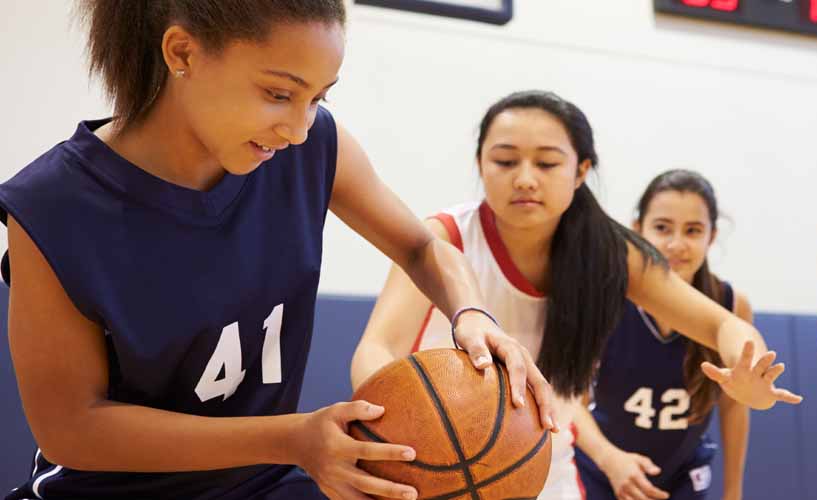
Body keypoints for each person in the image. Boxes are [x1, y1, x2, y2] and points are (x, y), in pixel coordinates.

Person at [1, 2, 554, 499]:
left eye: (319, 97)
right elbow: (73, 429)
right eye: (279, 94)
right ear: (182, 52)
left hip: (264, 479)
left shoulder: (313, 147)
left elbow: (421, 248)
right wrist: (292, 437)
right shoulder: (54, 205)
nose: (298, 126)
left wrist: (474, 313)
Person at [351, 90, 801, 499]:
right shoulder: (444, 237)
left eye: (547, 164)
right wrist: (402, 425)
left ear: (581, 170)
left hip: (545, 469)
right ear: (480, 164)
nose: (525, 179)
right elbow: (378, 346)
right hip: (432, 463)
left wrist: (750, 372)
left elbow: (723, 323)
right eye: (505, 161)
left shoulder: (610, 253)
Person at [572, 169, 752, 500]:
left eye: (693, 230)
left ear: (711, 237)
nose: (676, 244)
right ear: (637, 229)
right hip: (605, 467)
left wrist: (734, 491)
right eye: (662, 228)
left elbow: (734, 407)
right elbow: (570, 400)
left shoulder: (730, 305)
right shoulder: (605, 298)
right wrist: (609, 459)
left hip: (681, 473)